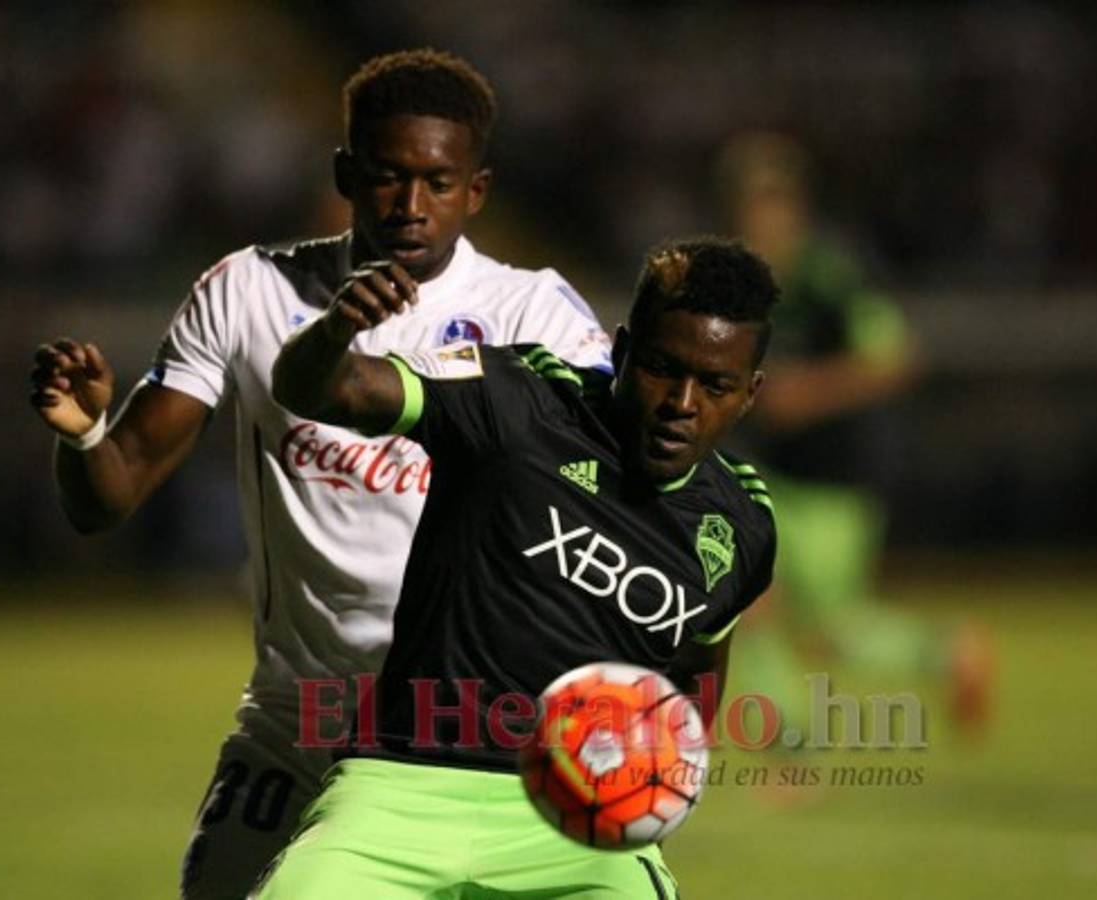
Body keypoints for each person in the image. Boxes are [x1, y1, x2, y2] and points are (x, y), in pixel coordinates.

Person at [27, 49, 613, 899]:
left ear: (476, 190)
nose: (410, 207)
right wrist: (84, 434)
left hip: (461, 728)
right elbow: (109, 494)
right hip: (295, 719)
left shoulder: (533, 314)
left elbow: (609, 484)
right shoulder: (249, 290)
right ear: (345, 171)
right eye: (385, 177)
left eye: (438, 183)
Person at [250, 236, 779, 897]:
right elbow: (326, 391)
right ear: (619, 351)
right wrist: (335, 332)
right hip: (400, 787)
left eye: (715, 385)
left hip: (581, 825)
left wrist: (654, 796)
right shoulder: (514, 401)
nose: (681, 402)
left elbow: (699, 670)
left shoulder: (741, 527)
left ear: (749, 392)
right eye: (660, 368)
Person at [716, 132, 990, 732]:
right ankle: (788, 746)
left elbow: (894, 359)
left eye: (775, 199)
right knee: (744, 598)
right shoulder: (738, 282)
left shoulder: (831, 274)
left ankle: (944, 652)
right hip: (765, 470)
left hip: (835, 475)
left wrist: (809, 392)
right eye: (752, 200)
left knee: (831, 633)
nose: (764, 213)